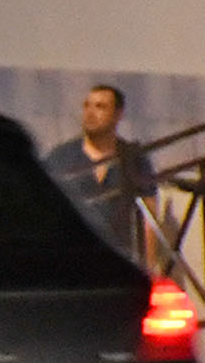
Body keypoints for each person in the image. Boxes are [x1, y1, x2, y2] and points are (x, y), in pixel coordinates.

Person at [44, 83, 159, 262]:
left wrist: (148, 268)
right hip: (71, 258)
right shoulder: (61, 158)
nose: (90, 113)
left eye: (100, 107)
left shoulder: (133, 158)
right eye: (87, 106)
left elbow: (149, 216)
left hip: (119, 260)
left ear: (117, 114)